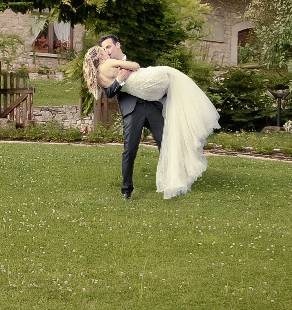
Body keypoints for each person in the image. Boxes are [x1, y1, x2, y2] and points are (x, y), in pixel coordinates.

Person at [87, 35, 216, 199]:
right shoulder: (108, 68)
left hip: (153, 108)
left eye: (108, 47)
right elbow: (109, 93)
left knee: (166, 142)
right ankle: (127, 189)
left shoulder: (134, 60)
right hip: (132, 111)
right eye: (104, 49)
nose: (107, 51)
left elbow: (152, 81)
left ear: (117, 45)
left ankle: (174, 181)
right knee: (130, 149)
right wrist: (119, 80)